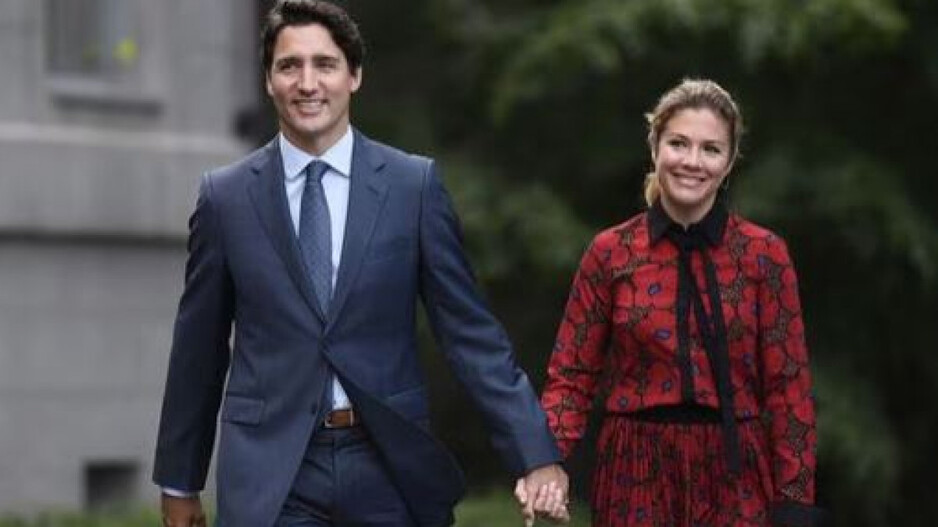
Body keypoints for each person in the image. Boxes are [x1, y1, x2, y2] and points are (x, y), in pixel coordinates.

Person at [152, 1, 569, 526]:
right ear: (268, 80)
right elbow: (198, 350)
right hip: (274, 472)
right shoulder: (225, 198)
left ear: (355, 76)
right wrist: (180, 480)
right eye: (289, 66)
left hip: (386, 463)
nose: (308, 83)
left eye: (324, 64)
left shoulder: (412, 187)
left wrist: (534, 454)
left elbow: (469, 334)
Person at [539, 79, 823, 526]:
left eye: (711, 149)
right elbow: (571, 375)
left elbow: (789, 388)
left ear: (729, 162)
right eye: (678, 143)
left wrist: (796, 499)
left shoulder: (763, 255)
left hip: (736, 472)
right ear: (655, 149)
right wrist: (544, 461)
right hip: (634, 470)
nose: (692, 161)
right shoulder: (611, 252)